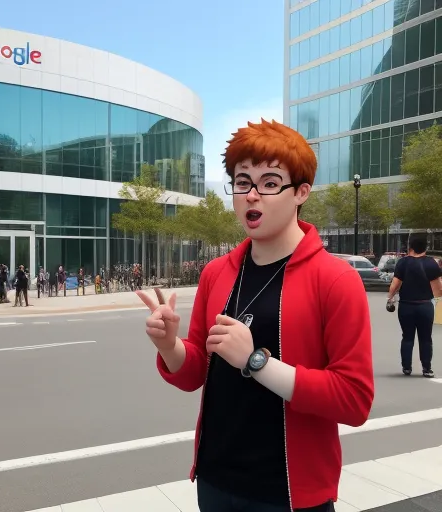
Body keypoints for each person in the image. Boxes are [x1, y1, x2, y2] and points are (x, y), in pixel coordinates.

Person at [136, 119, 374, 512]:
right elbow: (198, 370)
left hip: (289, 494)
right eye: (242, 182)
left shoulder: (335, 280)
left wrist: (256, 361)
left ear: (301, 193)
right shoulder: (217, 273)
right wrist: (169, 344)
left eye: (269, 183)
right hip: (215, 480)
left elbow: (354, 400)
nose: (252, 196)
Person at [387, 234, 442, 378]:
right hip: (425, 306)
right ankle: (426, 369)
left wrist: (390, 298)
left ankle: (406, 368)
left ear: (410, 246)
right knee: (426, 338)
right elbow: (438, 290)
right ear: (426, 247)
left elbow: (395, 285)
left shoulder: (403, 263)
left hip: (406, 306)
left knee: (407, 337)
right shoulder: (431, 263)